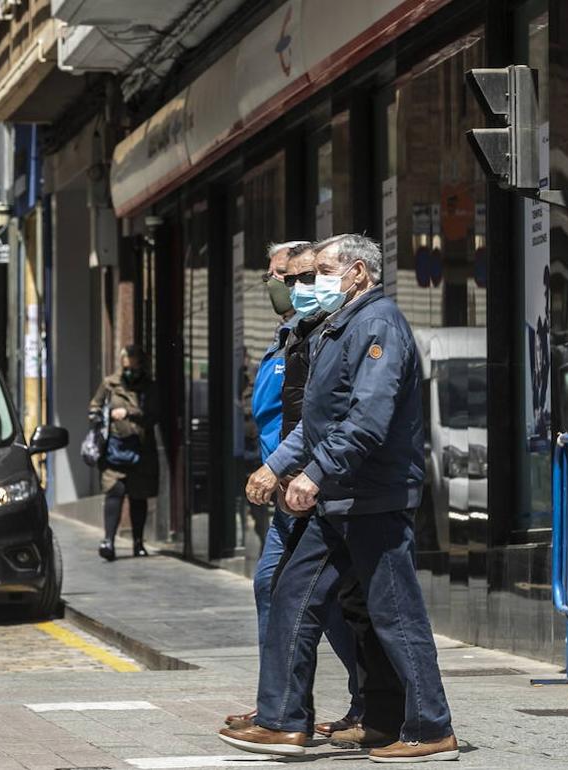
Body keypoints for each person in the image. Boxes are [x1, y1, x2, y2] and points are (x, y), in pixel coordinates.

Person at [220, 234, 457, 763]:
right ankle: (283, 723)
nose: (310, 283)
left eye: (321, 271)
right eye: (302, 276)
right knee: (291, 597)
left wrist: (316, 475)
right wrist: (276, 466)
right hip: (339, 501)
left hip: (372, 498)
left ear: (357, 273)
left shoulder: (377, 325)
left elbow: (367, 420)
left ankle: (431, 728)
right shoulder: (336, 329)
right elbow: (315, 423)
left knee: (395, 614)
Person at [225, 241, 365, 734]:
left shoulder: (332, 332)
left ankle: (303, 710)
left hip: (312, 486)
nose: (280, 287)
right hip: (288, 483)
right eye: (277, 278)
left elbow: (333, 418)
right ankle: (280, 706)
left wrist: (299, 471)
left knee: (314, 597)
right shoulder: (290, 333)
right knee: (290, 592)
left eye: (288, 277)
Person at [89, 345, 159, 561]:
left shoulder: (149, 387)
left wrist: (129, 413)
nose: (129, 368)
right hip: (114, 449)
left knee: (138, 495)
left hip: (141, 449)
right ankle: (108, 540)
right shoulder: (110, 384)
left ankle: (138, 542)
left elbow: (153, 415)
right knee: (115, 490)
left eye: (133, 363)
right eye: (125, 364)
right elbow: (94, 407)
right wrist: (102, 418)